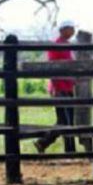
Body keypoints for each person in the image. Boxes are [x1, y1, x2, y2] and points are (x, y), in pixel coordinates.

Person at [34, 19, 77, 153]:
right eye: (70, 28)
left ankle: (43, 142)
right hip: (60, 87)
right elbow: (52, 66)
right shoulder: (56, 45)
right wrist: (55, 86)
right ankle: (68, 149)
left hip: (68, 86)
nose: (73, 31)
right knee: (66, 120)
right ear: (63, 30)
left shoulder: (67, 45)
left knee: (65, 119)